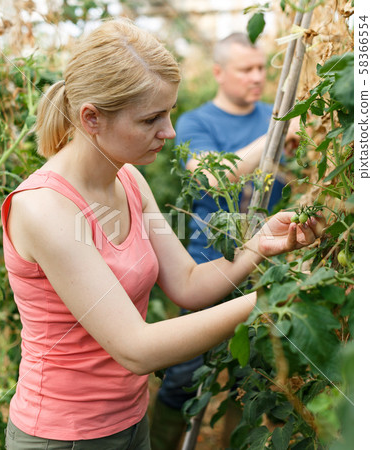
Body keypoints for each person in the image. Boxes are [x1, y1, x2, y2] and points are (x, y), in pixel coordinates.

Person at [2, 19, 323, 450]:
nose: (169, 132)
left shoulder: (130, 180)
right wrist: (275, 299)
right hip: (64, 435)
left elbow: (188, 285)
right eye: (152, 118)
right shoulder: (45, 208)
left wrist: (259, 244)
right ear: (91, 118)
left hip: (132, 421)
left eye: (169, 113)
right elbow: (137, 348)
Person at [150, 32, 300, 449]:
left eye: (261, 68)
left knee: (249, 379)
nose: (257, 77)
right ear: (218, 72)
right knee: (182, 376)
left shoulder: (275, 113)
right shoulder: (195, 122)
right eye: (246, 69)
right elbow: (211, 179)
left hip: (266, 268)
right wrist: (278, 130)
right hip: (205, 269)